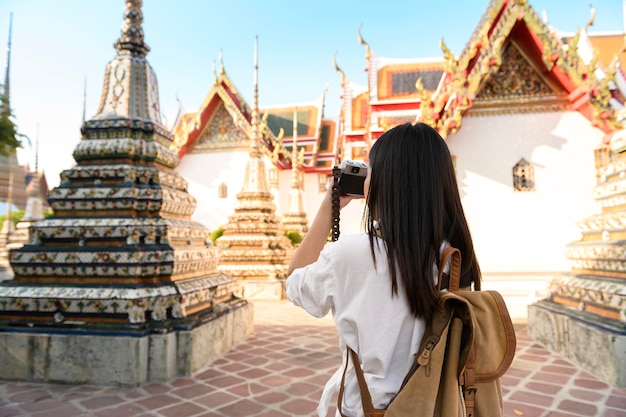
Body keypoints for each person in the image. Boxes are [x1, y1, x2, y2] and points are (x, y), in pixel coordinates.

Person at [285, 122, 481, 417]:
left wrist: (329, 206)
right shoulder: (455, 258)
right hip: (437, 407)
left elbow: (294, 282)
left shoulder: (351, 256)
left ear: (381, 183)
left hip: (365, 410)